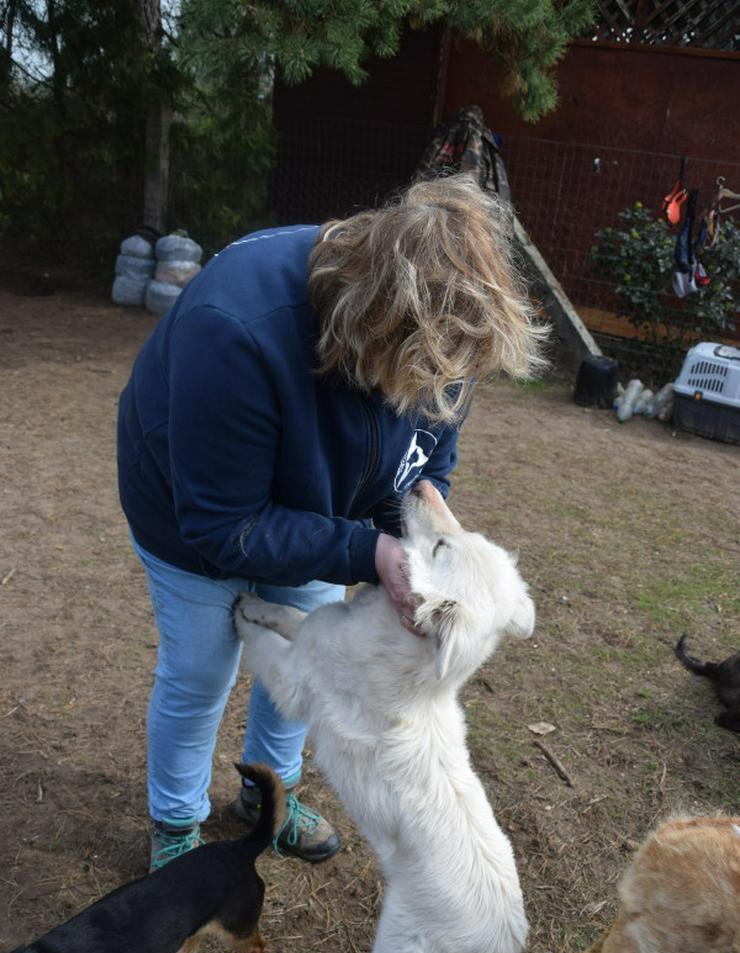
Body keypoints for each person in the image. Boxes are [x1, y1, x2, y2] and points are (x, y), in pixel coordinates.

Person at [116, 174, 547, 870]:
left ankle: (269, 794)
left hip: (319, 511)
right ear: (373, 326)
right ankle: (176, 822)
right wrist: (365, 551)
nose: (441, 388)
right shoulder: (237, 328)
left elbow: (426, 458)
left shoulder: (447, 341)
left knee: (314, 648)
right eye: (422, 374)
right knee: (199, 671)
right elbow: (223, 525)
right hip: (189, 515)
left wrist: (410, 532)